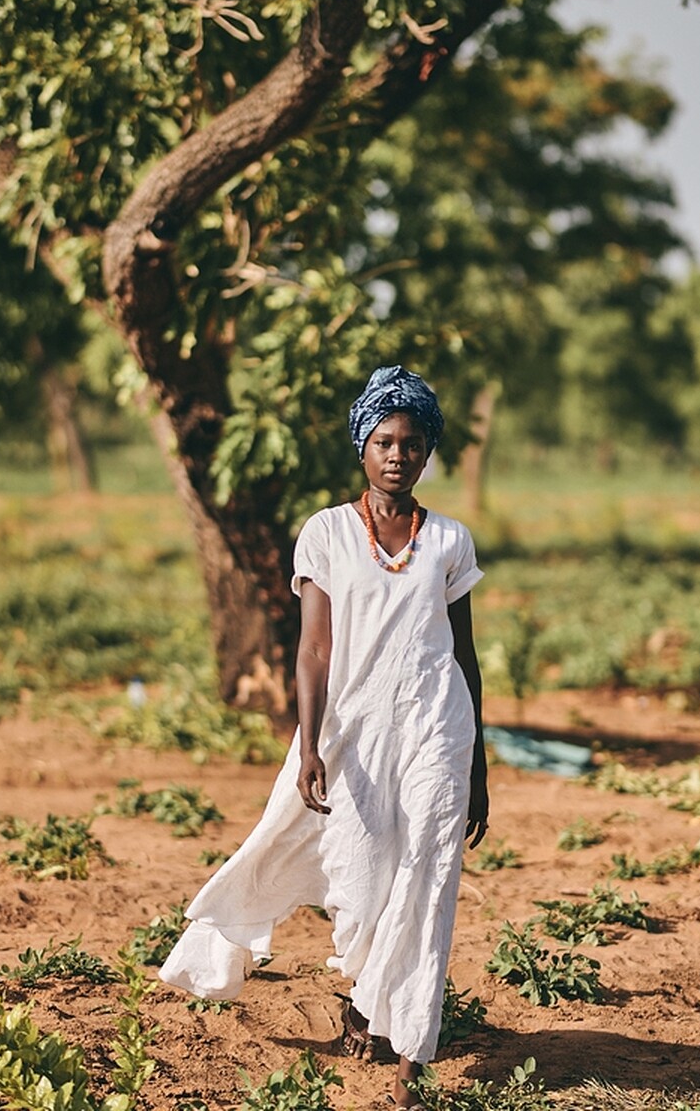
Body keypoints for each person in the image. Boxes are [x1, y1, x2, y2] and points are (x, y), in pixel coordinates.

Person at [159, 365, 489, 1108]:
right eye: (384, 442)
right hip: (354, 731)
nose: (398, 455)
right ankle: (369, 1001)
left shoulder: (449, 540)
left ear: (428, 451)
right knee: (365, 883)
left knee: (429, 879)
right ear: (362, 448)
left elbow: (464, 658)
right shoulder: (328, 533)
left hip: (437, 728)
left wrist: (478, 768)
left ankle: (411, 1054)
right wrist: (309, 745)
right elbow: (312, 650)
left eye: (412, 443)